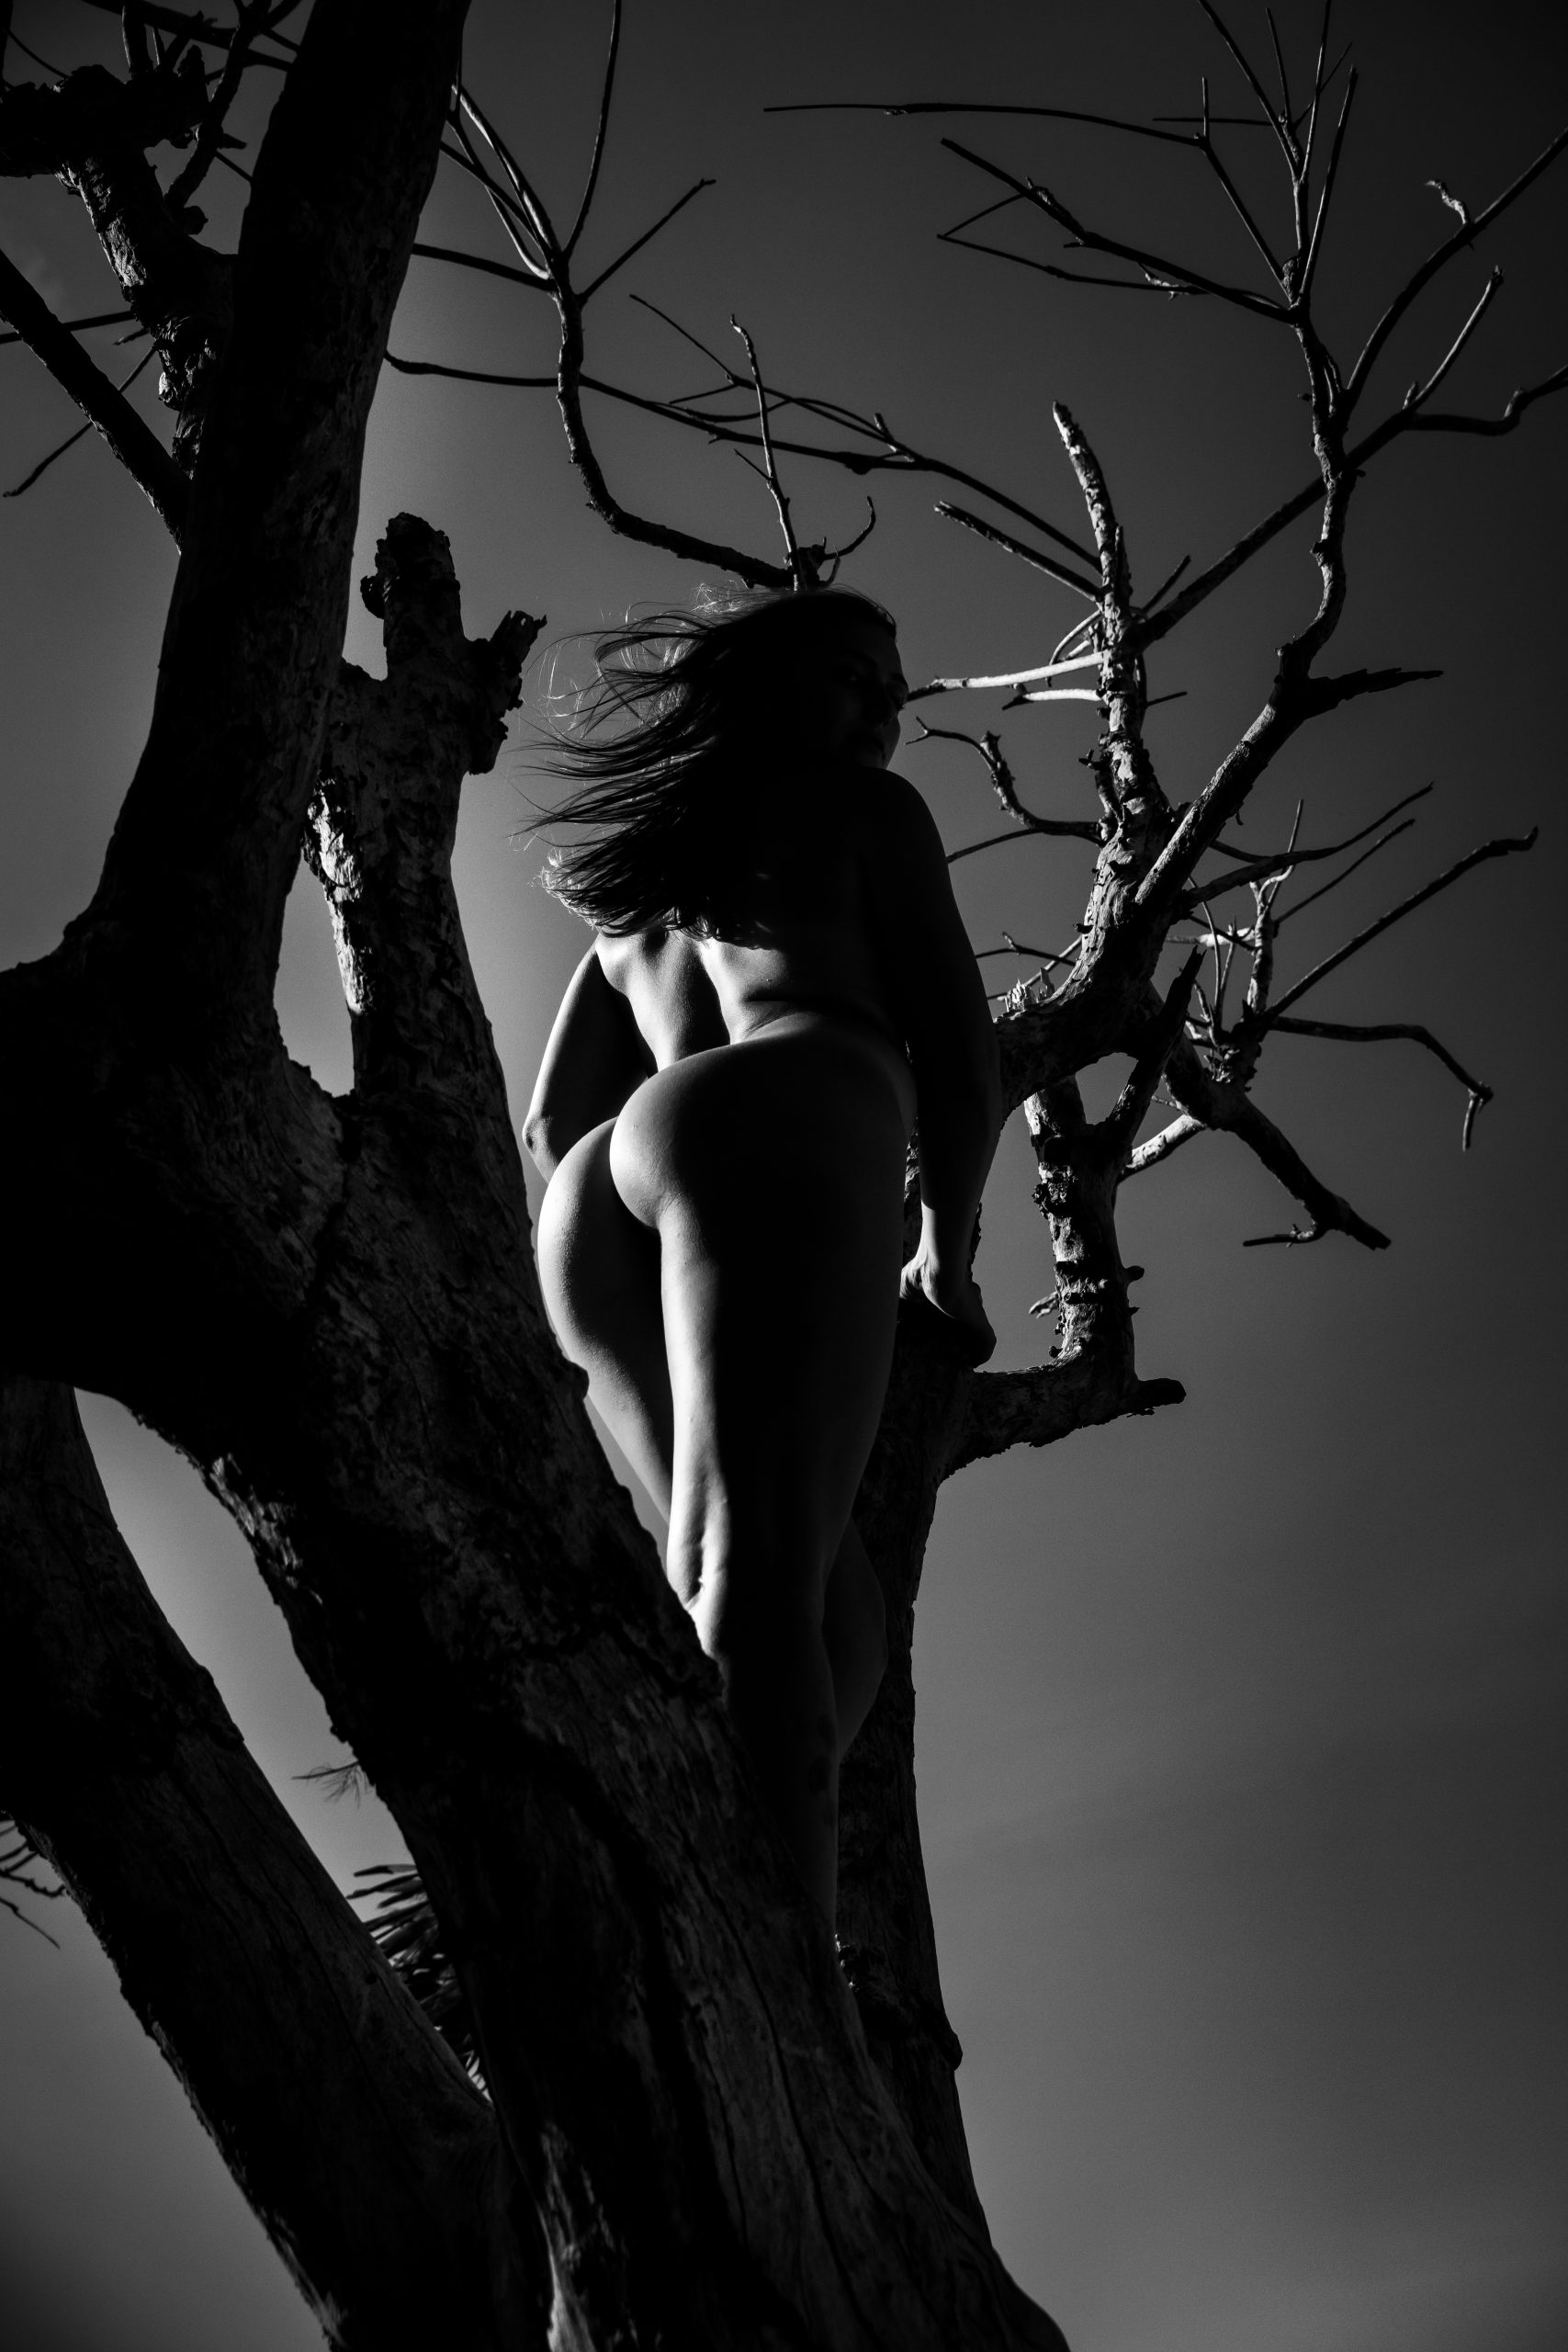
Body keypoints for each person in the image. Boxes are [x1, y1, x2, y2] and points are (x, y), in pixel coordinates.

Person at [523, 588, 1000, 1924]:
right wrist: (944, 1252)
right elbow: (962, 1057)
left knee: (809, 1607)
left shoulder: (639, 899)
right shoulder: (867, 815)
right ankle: (788, 1977)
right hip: (793, 1105)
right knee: (761, 1584)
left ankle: (698, 1876)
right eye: (853, 676)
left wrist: (658, 1181)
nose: (883, 711)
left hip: (599, 1199)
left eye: (894, 693)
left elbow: (550, 1125)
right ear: (767, 687)